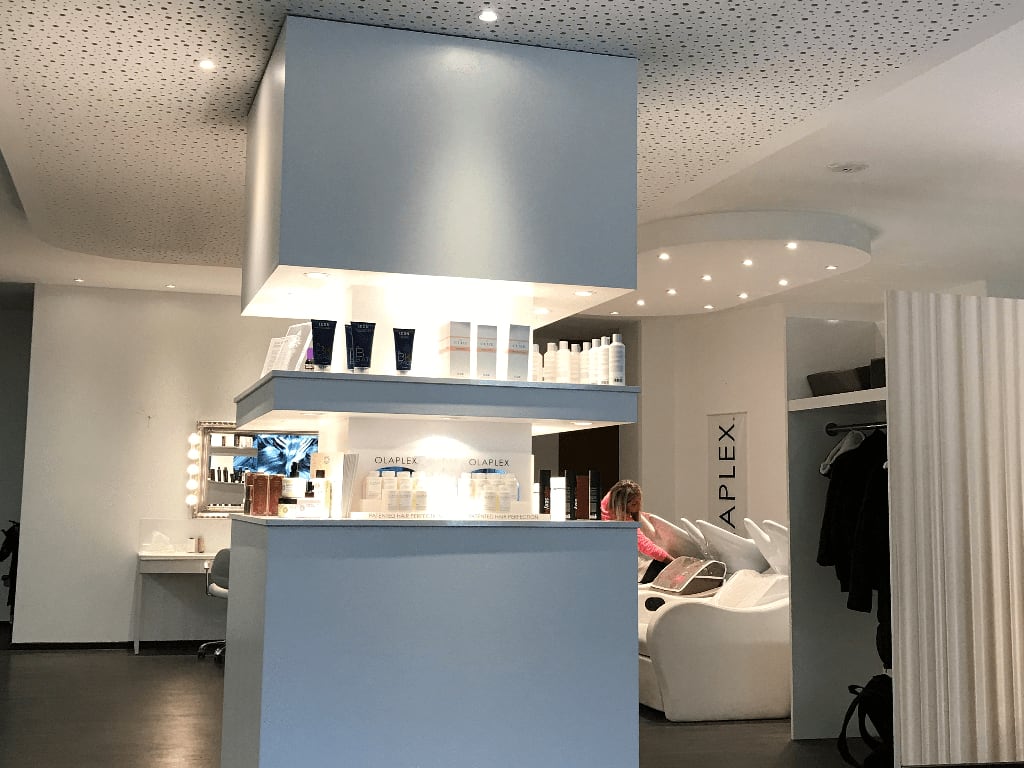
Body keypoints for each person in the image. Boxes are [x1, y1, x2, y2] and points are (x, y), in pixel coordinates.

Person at [601, 479, 673, 583]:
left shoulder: (611, 498)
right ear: (622, 505)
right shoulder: (621, 521)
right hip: (616, 565)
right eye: (634, 504)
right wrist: (673, 562)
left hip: (617, 561)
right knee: (661, 562)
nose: (638, 507)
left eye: (639, 502)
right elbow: (645, 546)